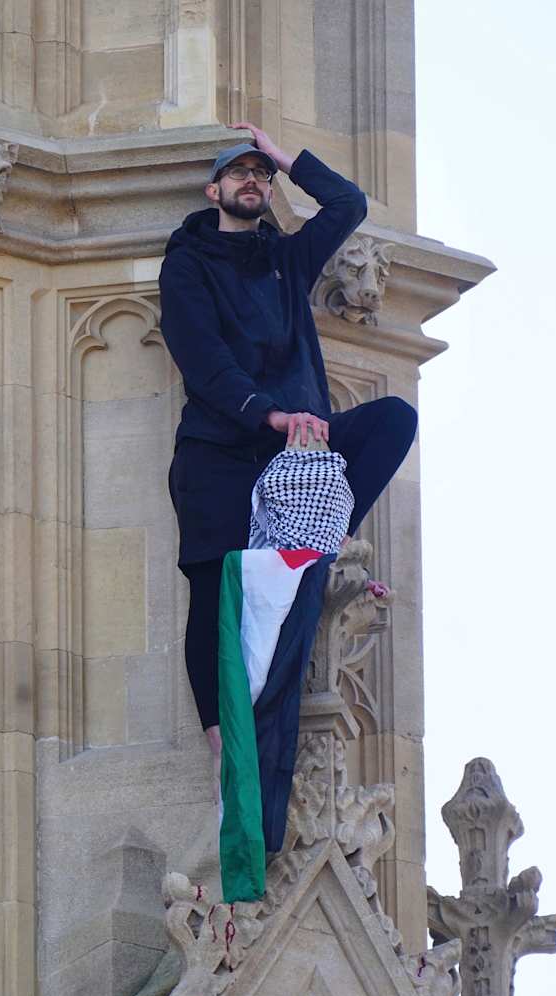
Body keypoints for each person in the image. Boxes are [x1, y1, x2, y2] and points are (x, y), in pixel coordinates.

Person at [159, 122, 417, 770]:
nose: (254, 179)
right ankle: (224, 744)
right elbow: (203, 358)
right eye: (240, 171)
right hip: (220, 449)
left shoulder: (285, 259)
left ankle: (327, 545)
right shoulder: (187, 262)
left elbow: (349, 205)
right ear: (213, 187)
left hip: (294, 450)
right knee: (214, 589)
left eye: (261, 173)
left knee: (391, 420)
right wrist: (267, 413)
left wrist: (285, 155)